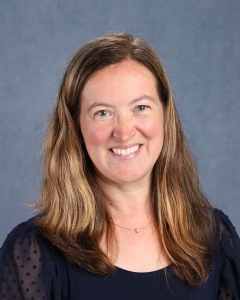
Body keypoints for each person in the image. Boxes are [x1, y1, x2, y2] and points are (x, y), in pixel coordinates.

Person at [0, 32, 239, 300]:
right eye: (102, 113)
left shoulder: (215, 237)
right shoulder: (33, 252)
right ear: (76, 128)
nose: (124, 132)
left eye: (141, 107)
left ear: (165, 115)